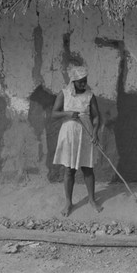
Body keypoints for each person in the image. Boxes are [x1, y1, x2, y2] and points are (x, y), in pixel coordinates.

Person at [52, 65, 103, 217]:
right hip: (68, 135)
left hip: (85, 135)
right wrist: (68, 114)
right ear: (73, 81)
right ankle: (68, 202)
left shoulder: (90, 95)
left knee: (88, 168)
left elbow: (96, 116)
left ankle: (92, 200)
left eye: (85, 81)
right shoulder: (64, 93)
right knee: (69, 170)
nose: (83, 84)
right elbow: (54, 114)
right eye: (80, 81)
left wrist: (95, 133)